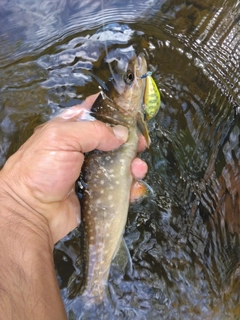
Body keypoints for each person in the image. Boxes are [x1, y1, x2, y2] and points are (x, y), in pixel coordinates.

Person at [0, 94, 148, 319]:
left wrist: (24, 202)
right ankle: (94, 291)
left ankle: (94, 289)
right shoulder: (117, 126)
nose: (135, 80)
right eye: (130, 78)